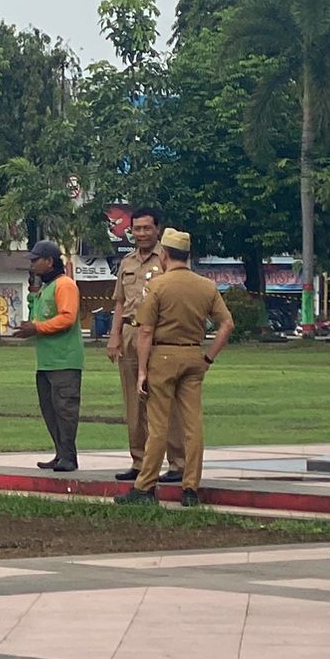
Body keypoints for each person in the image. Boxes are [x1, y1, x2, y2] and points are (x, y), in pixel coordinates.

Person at [115, 228, 234, 508]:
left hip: (163, 357)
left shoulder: (157, 286)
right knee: (193, 426)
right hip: (194, 356)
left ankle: (145, 488)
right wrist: (208, 358)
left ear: (165, 254)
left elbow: (145, 332)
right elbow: (227, 325)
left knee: (159, 426)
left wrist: (142, 370)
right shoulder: (206, 286)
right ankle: (190, 487)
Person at [106, 206, 184, 486]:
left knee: (166, 400)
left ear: (158, 229)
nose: (141, 234)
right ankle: (139, 461)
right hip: (130, 331)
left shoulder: (168, 259)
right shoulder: (127, 262)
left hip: (160, 334)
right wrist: (114, 336)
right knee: (133, 402)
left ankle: (178, 463)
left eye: (146, 228)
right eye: (136, 229)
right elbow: (119, 302)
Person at [14, 240, 82, 473]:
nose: (32, 265)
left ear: (49, 261)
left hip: (64, 360)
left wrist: (37, 329)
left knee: (65, 409)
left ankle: (69, 457)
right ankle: (60, 453)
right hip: (46, 361)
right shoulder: (46, 288)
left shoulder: (65, 285)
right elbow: (38, 318)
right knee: (50, 409)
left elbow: (67, 318)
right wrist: (33, 297)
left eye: (35, 261)